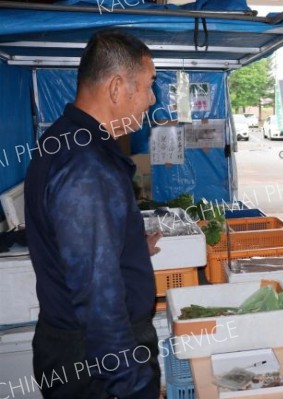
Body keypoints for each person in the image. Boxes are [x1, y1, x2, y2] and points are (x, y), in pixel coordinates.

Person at [25, 29, 161, 399]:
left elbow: (82, 250)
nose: (151, 99)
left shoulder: (65, 139)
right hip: (96, 362)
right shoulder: (87, 164)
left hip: (78, 349)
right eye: (148, 86)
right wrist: (131, 386)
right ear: (117, 87)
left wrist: (131, 247)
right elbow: (99, 299)